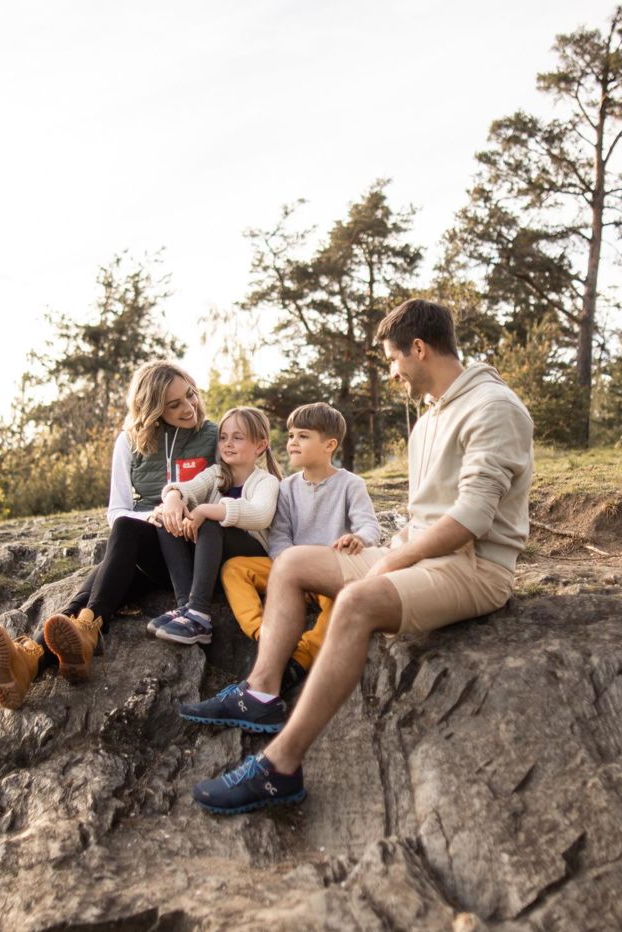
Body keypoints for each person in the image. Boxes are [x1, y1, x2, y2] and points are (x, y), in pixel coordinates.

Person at [182, 298, 534, 813]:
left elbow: (472, 520)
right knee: (293, 562)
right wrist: (390, 548)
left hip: (475, 567)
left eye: (394, 360)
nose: (392, 373)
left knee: (355, 604)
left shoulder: (494, 408)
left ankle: (280, 767)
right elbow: (426, 515)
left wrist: (390, 562)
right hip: (419, 553)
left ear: (419, 349)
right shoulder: (432, 414)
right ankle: (261, 693)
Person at [0, 360, 217, 710]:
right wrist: (157, 513)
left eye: (190, 395)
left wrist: (182, 510)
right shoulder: (130, 443)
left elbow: (227, 485)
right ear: (151, 409)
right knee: (115, 552)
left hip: (190, 547)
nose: (189, 407)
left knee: (112, 556)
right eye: (174, 403)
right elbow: (117, 510)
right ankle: (31, 662)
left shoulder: (211, 435)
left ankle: (76, 632)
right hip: (147, 549)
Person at [210, 402, 380, 703]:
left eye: (302, 436)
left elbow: (369, 527)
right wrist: (287, 570)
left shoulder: (351, 484)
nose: (291, 442)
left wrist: (358, 539)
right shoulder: (286, 488)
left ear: (329, 445)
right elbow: (279, 537)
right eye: (290, 435)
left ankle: (302, 656)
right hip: (289, 572)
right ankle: (264, 632)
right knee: (235, 568)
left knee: (345, 599)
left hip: (329, 571)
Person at [148, 406, 282, 645]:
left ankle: (199, 614)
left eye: (237, 438)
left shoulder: (266, 481)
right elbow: (187, 488)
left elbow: (260, 515)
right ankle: (186, 608)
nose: (228, 444)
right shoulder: (216, 474)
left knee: (211, 522)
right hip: (213, 558)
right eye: (223, 437)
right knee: (167, 520)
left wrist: (206, 510)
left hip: (248, 557)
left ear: (260, 446)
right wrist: (172, 500)